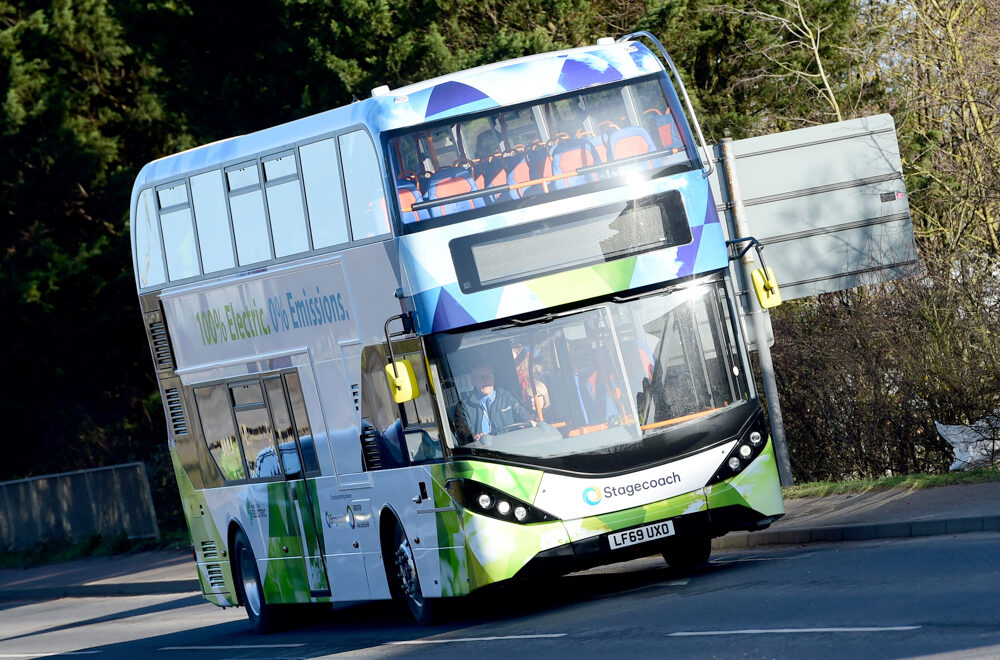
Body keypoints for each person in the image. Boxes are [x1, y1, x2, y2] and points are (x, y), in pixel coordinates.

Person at [455, 362, 535, 444]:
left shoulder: (508, 398)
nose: (485, 380)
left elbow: (525, 416)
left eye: (488, 376)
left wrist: (528, 422)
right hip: (482, 453)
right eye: (481, 377)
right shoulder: (464, 407)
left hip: (512, 446)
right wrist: (474, 439)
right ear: (473, 380)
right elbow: (463, 434)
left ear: (494, 378)